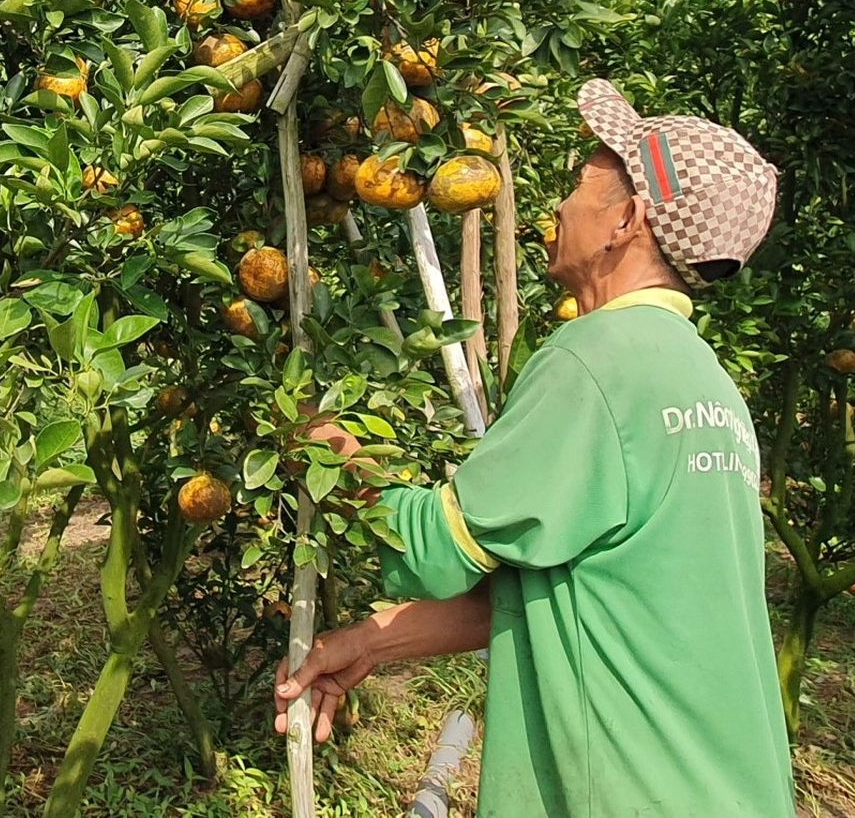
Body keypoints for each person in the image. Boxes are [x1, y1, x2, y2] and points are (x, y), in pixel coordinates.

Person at [274, 79, 795, 817]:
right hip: (727, 787)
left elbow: (432, 548)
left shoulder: (600, 356)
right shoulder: (703, 378)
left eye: (582, 184)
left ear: (627, 220)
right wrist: (372, 641)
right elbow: (556, 587)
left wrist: (326, 451)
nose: (556, 206)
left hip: (627, 794)